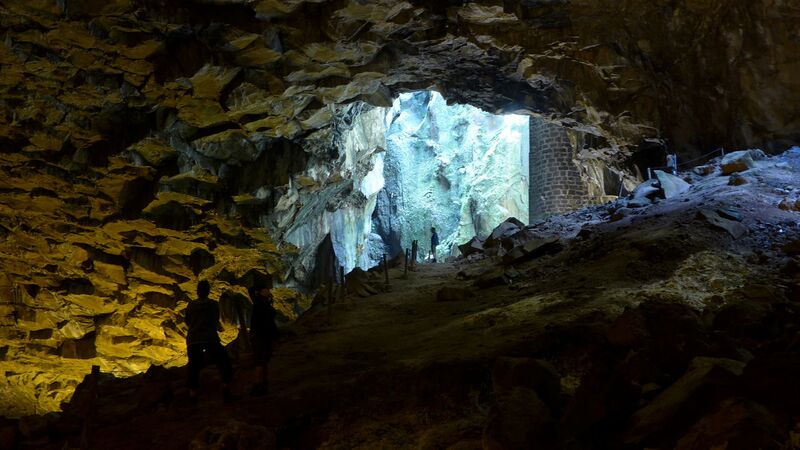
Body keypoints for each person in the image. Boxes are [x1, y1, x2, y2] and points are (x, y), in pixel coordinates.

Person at [185, 280, 235, 404]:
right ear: (208, 291)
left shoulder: (190, 305)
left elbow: (187, 321)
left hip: (193, 339)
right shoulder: (213, 304)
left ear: (197, 292)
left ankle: (192, 396)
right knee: (224, 361)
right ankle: (225, 389)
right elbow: (215, 319)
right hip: (209, 338)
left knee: (193, 367)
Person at [248, 285, 278, 396]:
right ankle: (264, 385)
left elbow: (251, 290)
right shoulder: (269, 309)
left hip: (259, 336)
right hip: (266, 337)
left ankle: (257, 385)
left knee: (259, 361)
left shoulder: (257, 304)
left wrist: (259, 286)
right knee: (264, 361)